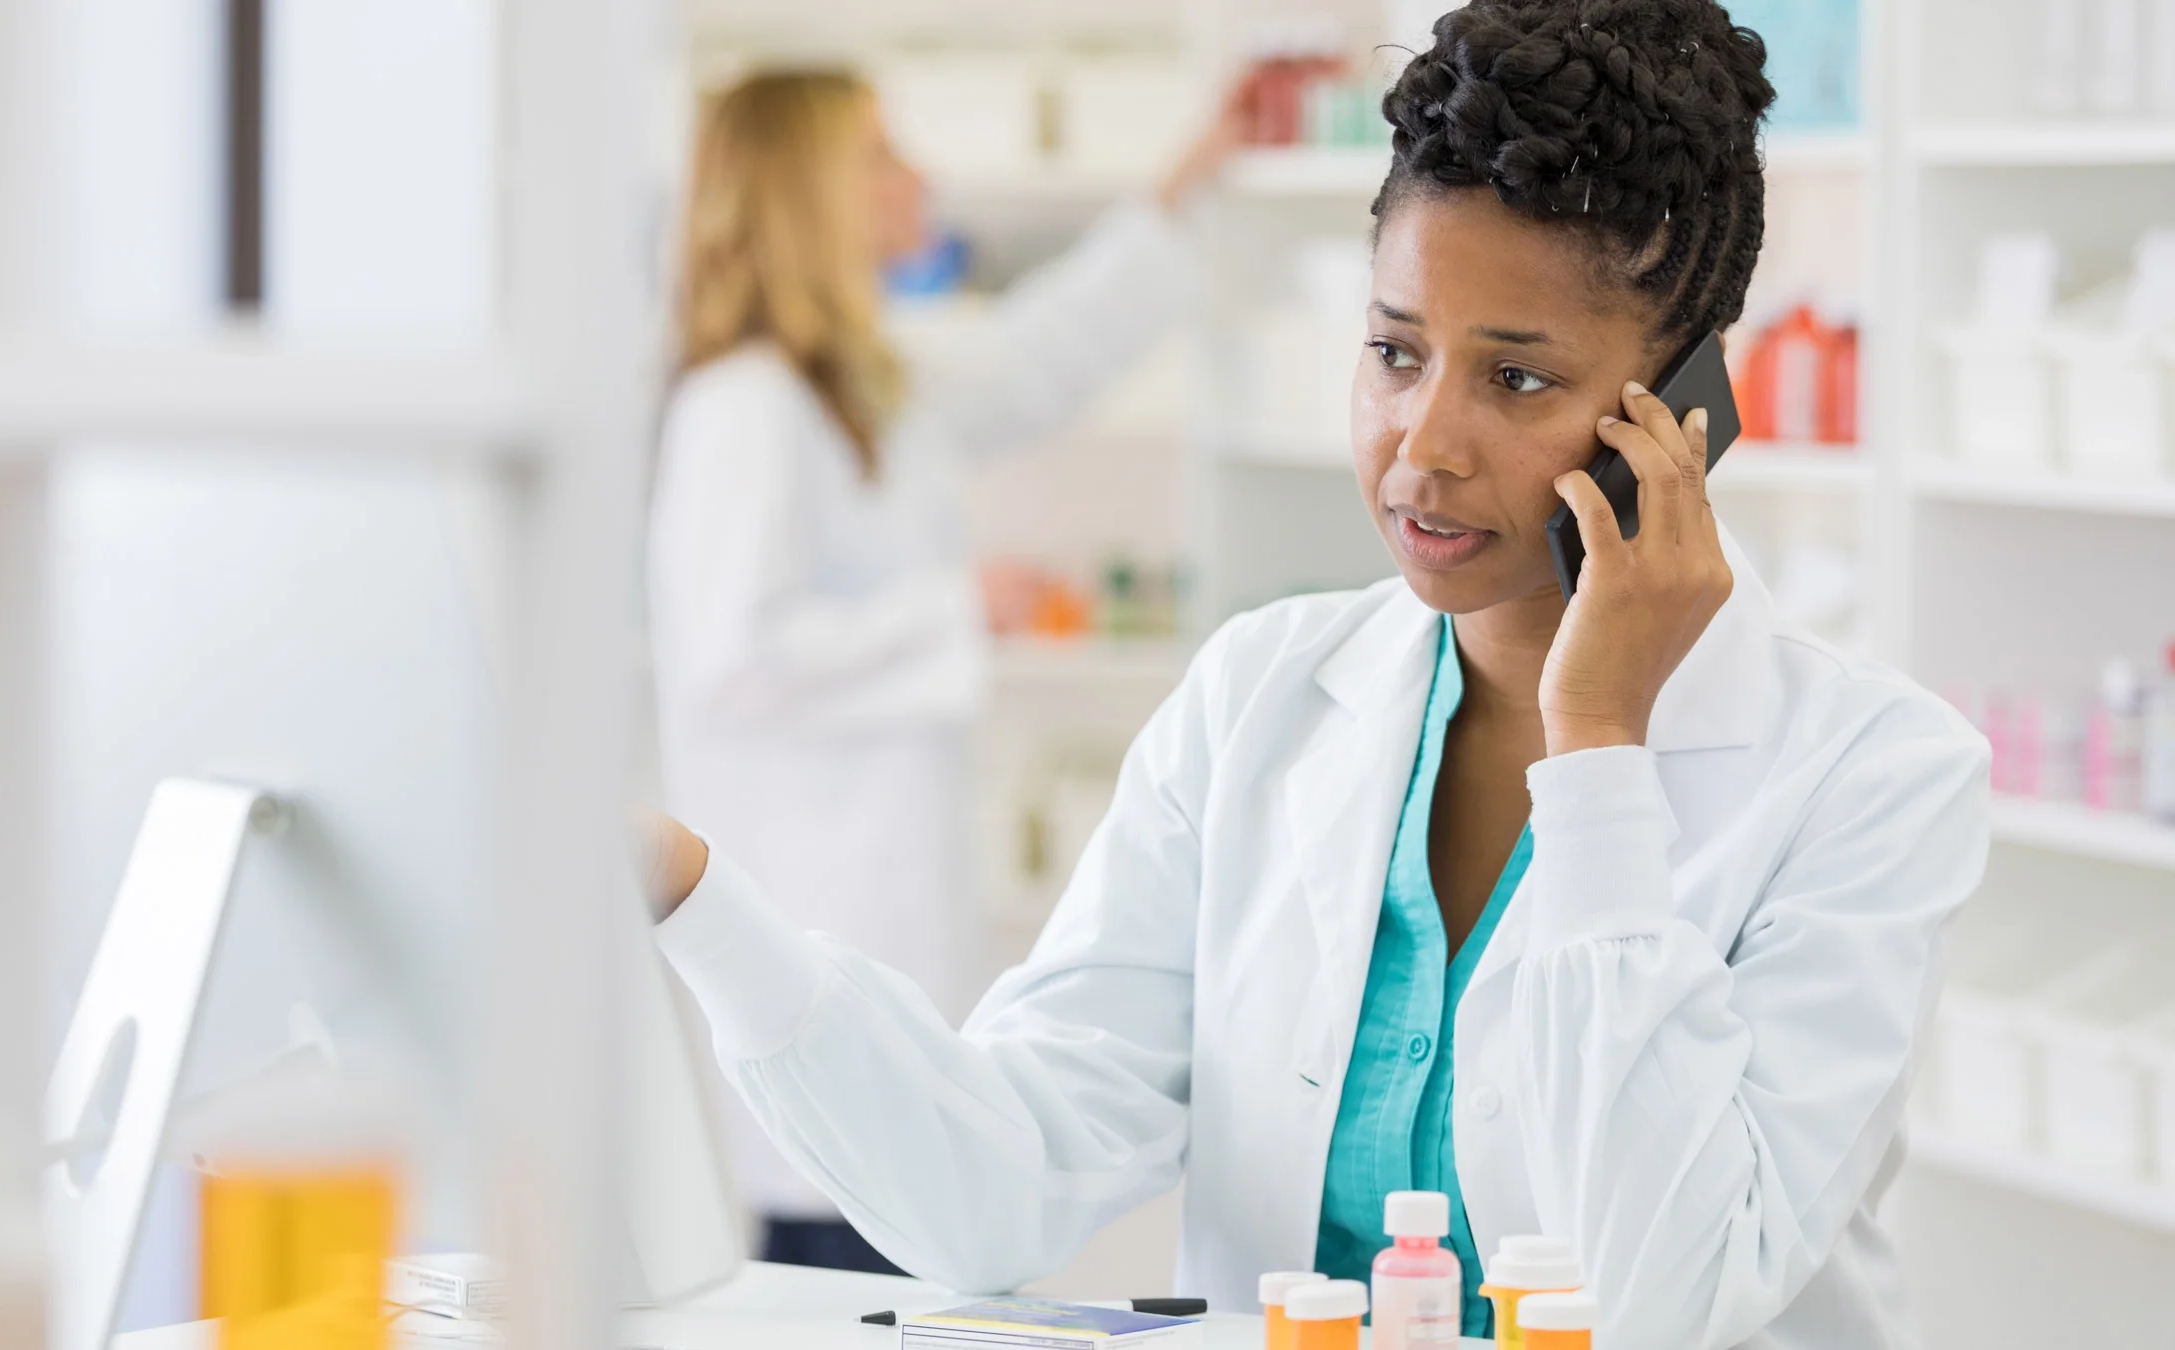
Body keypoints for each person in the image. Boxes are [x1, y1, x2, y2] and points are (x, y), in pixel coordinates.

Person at [644, 3, 1990, 1345]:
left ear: (1682, 413)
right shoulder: (1260, 700)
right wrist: (699, 902)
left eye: (1518, 380)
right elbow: (992, 1192)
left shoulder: (1873, 777)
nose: (1423, 448)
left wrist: (1596, 746)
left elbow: (1668, 1295)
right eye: (1395, 351)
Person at [648, 69, 1258, 1273]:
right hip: (809, 892)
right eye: (882, 155)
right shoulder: (744, 406)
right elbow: (732, 655)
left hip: (875, 904)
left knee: (897, 1193)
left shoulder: (862, 386)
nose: (916, 177)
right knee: (844, 1219)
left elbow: (1042, 354)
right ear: (808, 193)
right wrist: (955, 610)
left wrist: (1190, 178)